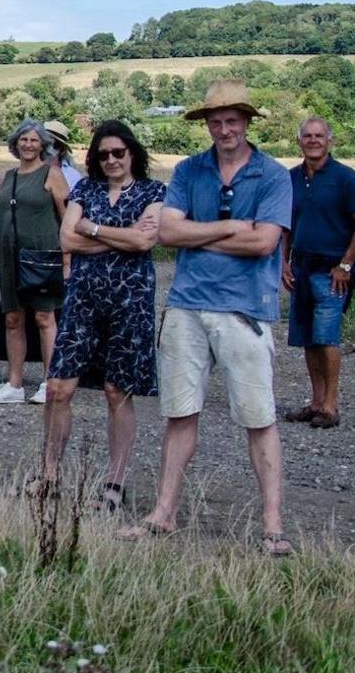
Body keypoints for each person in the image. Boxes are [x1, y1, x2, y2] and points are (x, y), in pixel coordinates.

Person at [120, 79, 294, 556]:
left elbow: (264, 243)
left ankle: (272, 524)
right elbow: (168, 233)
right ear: (207, 125)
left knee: (259, 417)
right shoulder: (189, 170)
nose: (223, 129)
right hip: (187, 306)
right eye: (215, 121)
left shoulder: (274, 176)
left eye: (232, 120)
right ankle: (163, 514)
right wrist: (230, 227)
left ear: (247, 121)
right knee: (179, 413)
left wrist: (199, 234)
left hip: (244, 310)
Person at [37, 121, 165, 510]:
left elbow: (145, 241)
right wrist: (116, 234)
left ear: (132, 153)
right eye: (103, 154)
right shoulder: (85, 188)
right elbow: (66, 238)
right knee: (59, 388)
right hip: (83, 299)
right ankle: (49, 474)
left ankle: (115, 482)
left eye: (118, 153)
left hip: (131, 301)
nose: (111, 160)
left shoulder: (154, 191)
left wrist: (91, 228)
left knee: (116, 392)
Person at [283, 117, 355, 429]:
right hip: (301, 266)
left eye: (319, 136)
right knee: (308, 338)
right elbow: (285, 226)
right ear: (299, 141)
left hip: (332, 271)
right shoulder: (291, 178)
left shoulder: (346, 178)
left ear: (330, 141)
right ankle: (316, 401)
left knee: (326, 338)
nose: (313, 140)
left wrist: (346, 265)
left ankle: (331, 406)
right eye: (307, 135)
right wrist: (283, 263)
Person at [0, 120, 70, 406]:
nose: (28, 145)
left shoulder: (52, 174)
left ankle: (50, 380)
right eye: (23, 140)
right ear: (15, 143)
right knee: (12, 319)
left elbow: (67, 217)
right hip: (9, 258)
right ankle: (14, 383)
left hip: (42, 255)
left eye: (34, 140)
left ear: (42, 144)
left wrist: (67, 259)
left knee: (45, 318)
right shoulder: (6, 178)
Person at [43, 120, 84, 189]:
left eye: (54, 144)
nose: (48, 148)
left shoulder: (73, 176)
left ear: (62, 150)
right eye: (44, 142)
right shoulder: (28, 170)